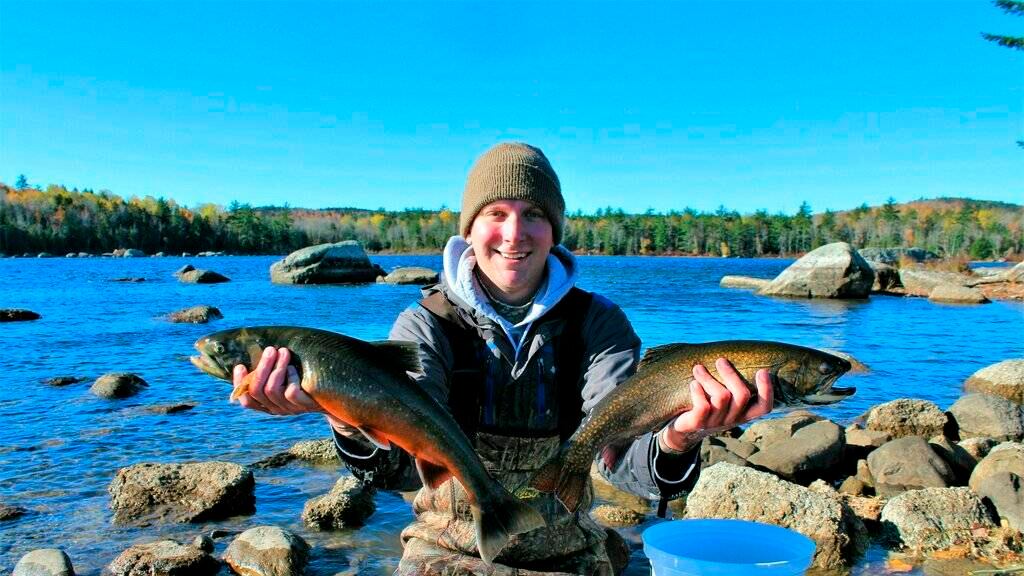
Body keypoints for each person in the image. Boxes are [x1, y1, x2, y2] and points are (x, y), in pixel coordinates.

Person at [234, 142, 774, 575]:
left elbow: (629, 472)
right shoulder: (425, 325)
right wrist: (344, 417)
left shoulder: (599, 326)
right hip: (444, 552)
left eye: (533, 214)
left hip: (568, 555)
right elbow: (398, 472)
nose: (514, 233)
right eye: (496, 213)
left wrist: (679, 439)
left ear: (554, 229)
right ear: (469, 229)